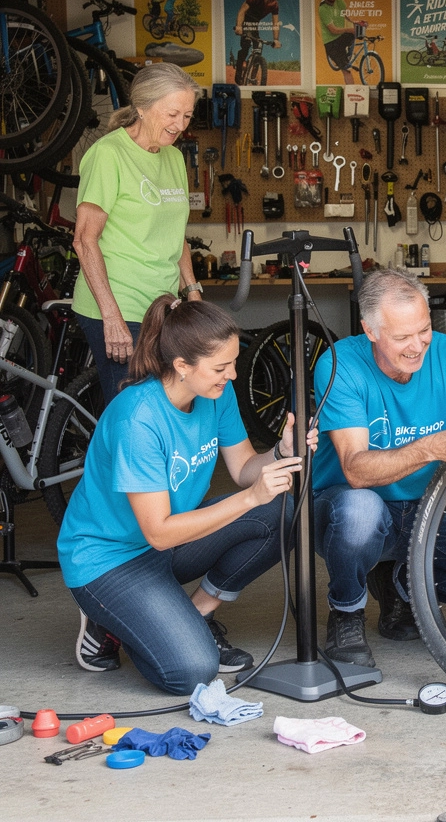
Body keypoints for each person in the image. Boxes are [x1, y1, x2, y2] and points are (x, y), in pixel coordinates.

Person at [57, 296, 313, 694]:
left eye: (233, 363)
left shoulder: (216, 394)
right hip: (109, 560)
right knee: (192, 671)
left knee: (283, 510)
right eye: (220, 367)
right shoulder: (138, 419)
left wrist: (282, 451)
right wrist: (250, 498)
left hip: (167, 544)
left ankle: (197, 613)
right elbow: (159, 532)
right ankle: (107, 617)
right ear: (181, 366)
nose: (232, 375)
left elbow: (244, 468)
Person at [311, 268, 446, 669]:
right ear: (370, 330)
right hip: (345, 507)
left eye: (424, 330)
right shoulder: (339, 364)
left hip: (423, 506)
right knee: (361, 511)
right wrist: (430, 447)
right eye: (402, 337)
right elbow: (356, 472)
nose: (417, 347)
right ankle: (346, 612)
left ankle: (399, 583)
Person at [72, 62, 203, 406]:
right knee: (134, 410)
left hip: (162, 306)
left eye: (187, 116)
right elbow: (84, 240)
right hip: (119, 305)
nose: (180, 125)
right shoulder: (108, 155)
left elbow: (176, 235)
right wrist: (111, 317)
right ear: (142, 107)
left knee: (166, 404)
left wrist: (193, 294)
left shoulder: (174, 158)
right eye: (172, 114)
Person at [233, 0, 282, 83]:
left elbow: (275, 23)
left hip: (255, 25)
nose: (272, 1)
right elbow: (242, 11)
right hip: (245, 21)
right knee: (246, 45)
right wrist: (238, 26)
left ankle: (253, 76)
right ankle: (238, 72)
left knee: (258, 47)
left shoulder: (274, 5)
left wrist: (276, 40)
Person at [318, 0, 359, 70]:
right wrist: (349, 29)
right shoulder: (323, 9)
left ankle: (347, 53)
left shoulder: (340, 1)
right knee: (345, 68)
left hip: (340, 34)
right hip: (331, 40)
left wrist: (355, 21)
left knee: (354, 34)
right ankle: (340, 56)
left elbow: (346, 14)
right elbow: (333, 30)